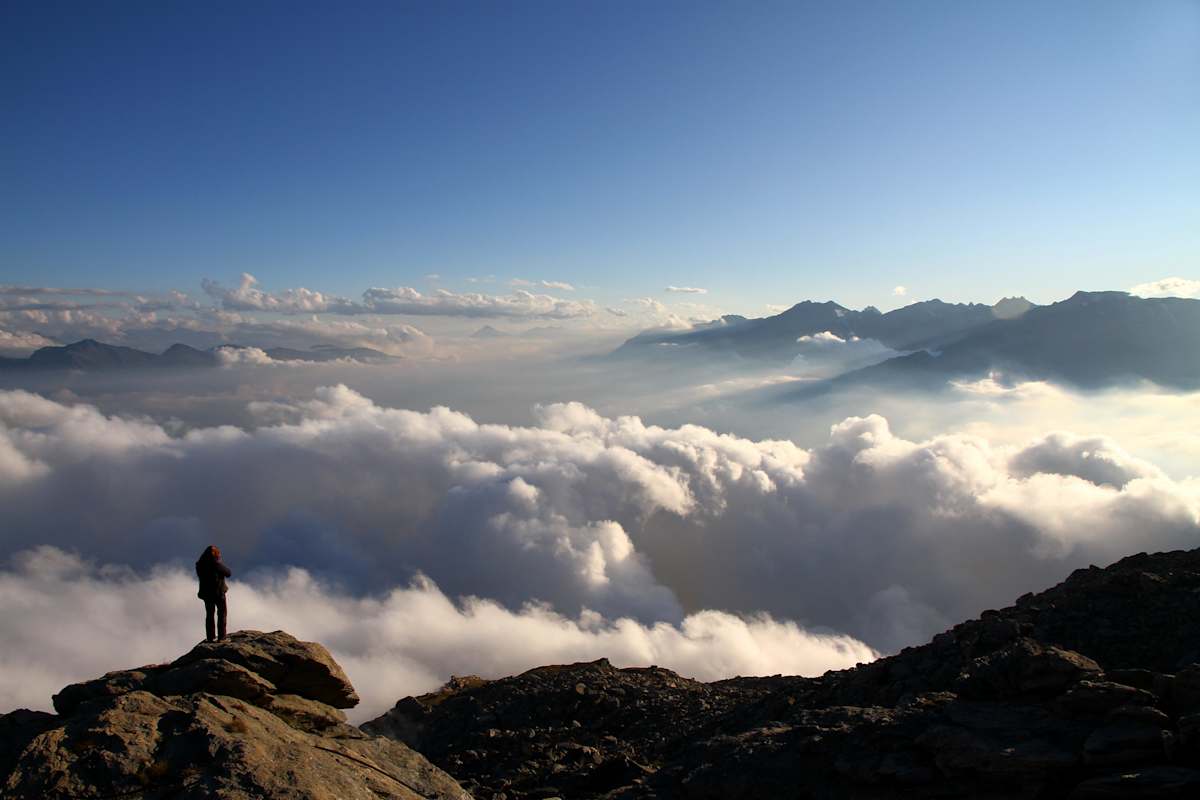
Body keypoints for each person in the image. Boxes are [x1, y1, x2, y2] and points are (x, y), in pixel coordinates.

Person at [195, 545, 232, 642]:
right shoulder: (216, 564)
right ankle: (222, 637)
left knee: (209, 615)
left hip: (206, 594)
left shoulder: (200, 565)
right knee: (222, 614)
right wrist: (219, 562)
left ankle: (210, 637)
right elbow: (228, 573)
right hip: (218, 593)